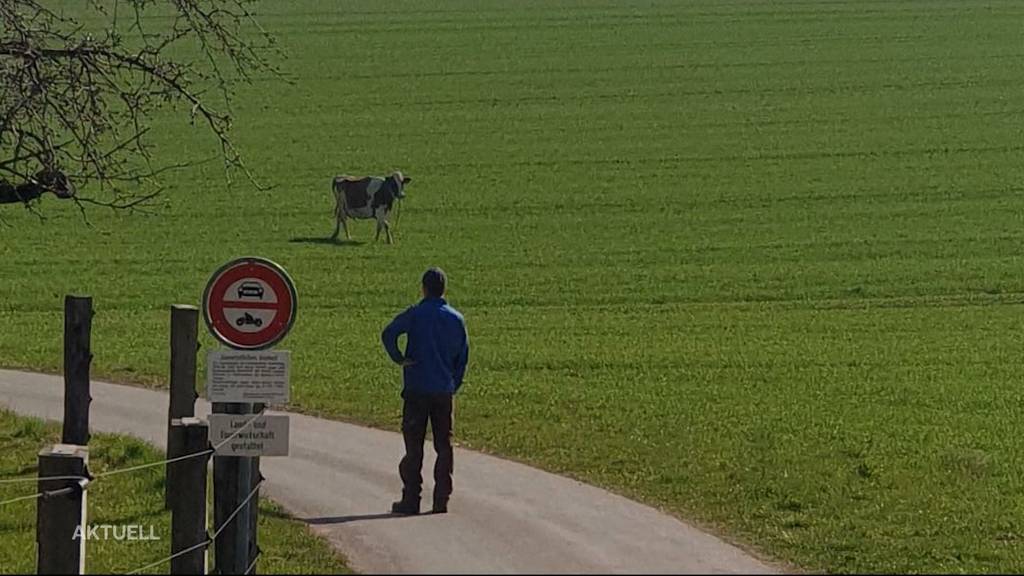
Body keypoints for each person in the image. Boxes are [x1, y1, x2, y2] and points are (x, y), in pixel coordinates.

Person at [381, 267, 469, 515]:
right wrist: (453, 384)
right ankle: (441, 499)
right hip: (443, 390)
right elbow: (463, 357)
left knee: (414, 446)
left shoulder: (416, 314)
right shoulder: (456, 319)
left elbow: (389, 334)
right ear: (444, 289)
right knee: (444, 445)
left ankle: (411, 499)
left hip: (417, 388)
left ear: (424, 287)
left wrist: (399, 358)